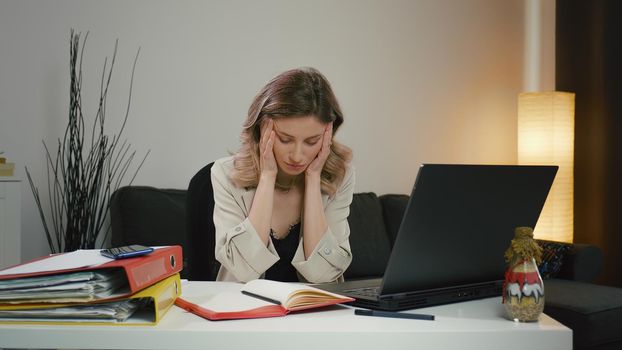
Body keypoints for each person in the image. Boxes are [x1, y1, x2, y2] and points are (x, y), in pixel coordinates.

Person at [211, 67, 354, 283]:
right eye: (285, 139)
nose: (297, 156)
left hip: (314, 314)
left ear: (328, 135)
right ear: (262, 128)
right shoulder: (224, 174)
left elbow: (324, 277)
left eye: (311, 142)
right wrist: (267, 177)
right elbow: (242, 269)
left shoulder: (341, 177)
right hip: (246, 311)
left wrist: (313, 179)